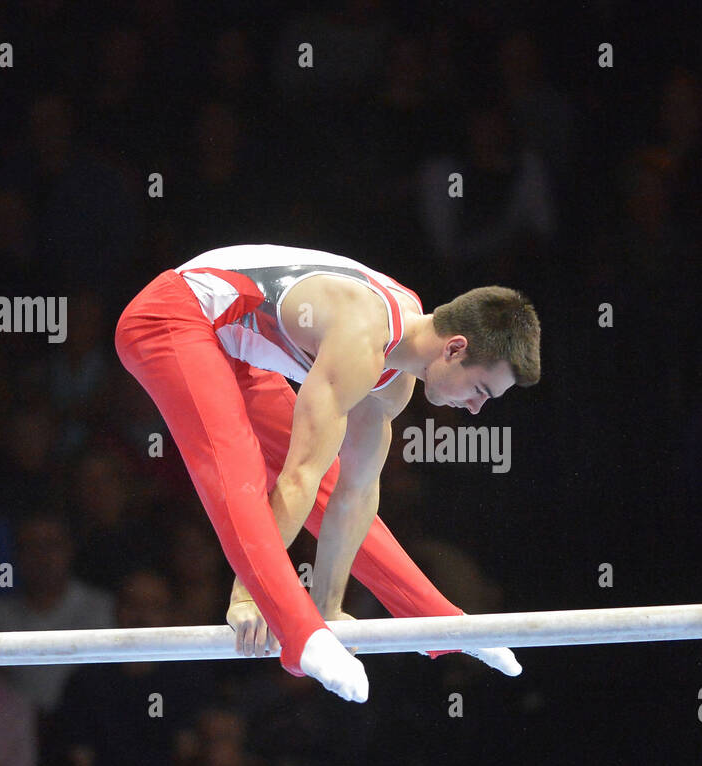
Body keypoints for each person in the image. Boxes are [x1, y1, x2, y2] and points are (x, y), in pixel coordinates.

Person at [115, 244, 540, 701]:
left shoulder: (396, 378)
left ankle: (438, 623)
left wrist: (330, 606)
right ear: (455, 348)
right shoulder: (362, 337)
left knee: (339, 482)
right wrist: (249, 597)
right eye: (480, 390)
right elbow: (298, 476)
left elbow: (353, 494)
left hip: (232, 345)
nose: (476, 410)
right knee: (237, 463)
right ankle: (298, 636)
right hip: (172, 317)